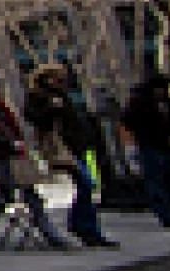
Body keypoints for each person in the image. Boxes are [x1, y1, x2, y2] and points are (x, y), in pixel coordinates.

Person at [0, 70, 72, 249]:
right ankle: (50, 234)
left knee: (9, 194)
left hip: (8, 155)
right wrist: (11, 142)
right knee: (23, 193)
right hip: (2, 155)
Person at [24, 64, 118, 247]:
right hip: (59, 148)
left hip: (74, 147)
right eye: (57, 79)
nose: (61, 83)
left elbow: (73, 122)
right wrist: (52, 108)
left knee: (86, 185)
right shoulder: (39, 97)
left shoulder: (63, 97)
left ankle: (84, 225)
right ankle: (83, 226)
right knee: (85, 183)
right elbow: (34, 118)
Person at [122, 74, 170, 227]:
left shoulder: (169, 103)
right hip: (150, 145)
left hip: (166, 144)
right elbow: (129, 122)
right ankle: (168, 216)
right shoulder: (141, 103)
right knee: (156, 183)